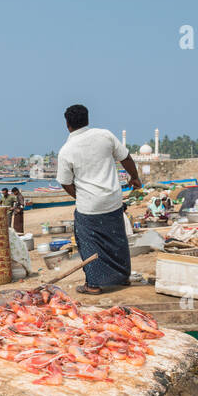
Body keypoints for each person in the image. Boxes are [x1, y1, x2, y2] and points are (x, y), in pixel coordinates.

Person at [55, 103, 143, 294]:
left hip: (89, 207)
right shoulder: (105, 135)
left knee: (88, 243)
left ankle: (93, 284)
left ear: (67, 125)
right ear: (87, 120)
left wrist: (79, 197)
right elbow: (126, 158)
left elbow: (65, 181)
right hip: (112, 200)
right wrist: (135, 178)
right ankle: (122, 278)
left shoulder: (66, 150)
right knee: (116, 240)